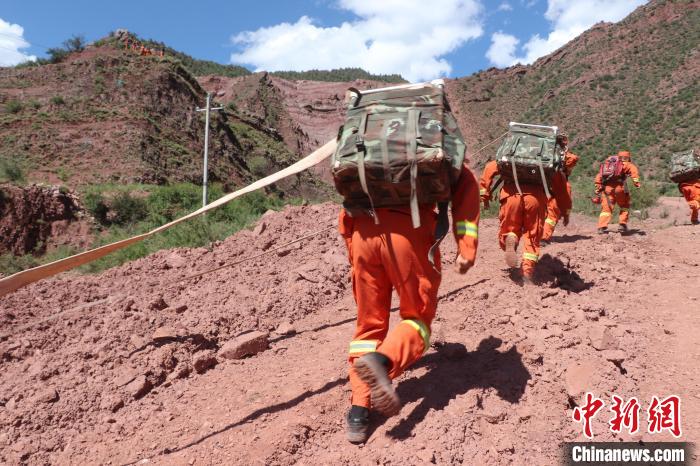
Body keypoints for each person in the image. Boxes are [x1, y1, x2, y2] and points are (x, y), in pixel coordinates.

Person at [339, 164, 480, 443]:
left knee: (368, 325)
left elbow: (348, 192)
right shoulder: (435, 145)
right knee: (418, 320)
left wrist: (352, 245)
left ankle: (358, 411)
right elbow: (465, 190)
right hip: (409, 230)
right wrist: (466, 248)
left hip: (363, 231)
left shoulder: (366, 144)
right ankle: (382, 361)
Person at [480, 159, 571, 283]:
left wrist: (484, 195)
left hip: (511, 195)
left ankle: (511, 237)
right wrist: (565, 212)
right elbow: (562, 188)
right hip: (535, 198)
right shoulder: (546, 158)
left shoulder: (512, 153)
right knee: (532, 235)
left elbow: (489, 168)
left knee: (509, 228)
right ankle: (527, 271)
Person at [542, 134, 578, 243]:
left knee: (541, 212)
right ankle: (544, 237)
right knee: (552, 215)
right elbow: (567, 202)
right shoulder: (566, 157)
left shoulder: (542, 154)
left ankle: (533, 233)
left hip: (540, 186)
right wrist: (566, 216)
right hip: (557, 188)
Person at [594, 150, 641, 233]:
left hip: (607, 189)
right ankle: (622, 224)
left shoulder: (608, 165)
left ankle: (602, 226)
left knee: (606, 208)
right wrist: (637, 183)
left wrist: (598, 187)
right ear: (628, 157)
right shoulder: (627, 164)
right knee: (624, 205)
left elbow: (599, 176)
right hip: (620, 188)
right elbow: (634, 173)